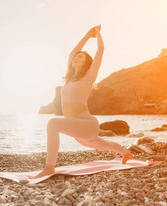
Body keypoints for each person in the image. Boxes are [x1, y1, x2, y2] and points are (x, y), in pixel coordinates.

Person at [31, 25, 133, 179]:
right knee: (103, 145)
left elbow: (100, 51)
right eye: (76, 57)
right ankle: (126, 153)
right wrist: (86, 35)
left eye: (81, 57)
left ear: (86, 63)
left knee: (53, 123)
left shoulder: (89, 77)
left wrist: (97, 33)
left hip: (86, 122)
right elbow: (73, 52)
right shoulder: (69, 78)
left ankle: (49, 168)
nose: (76, 57)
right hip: (77, 127)